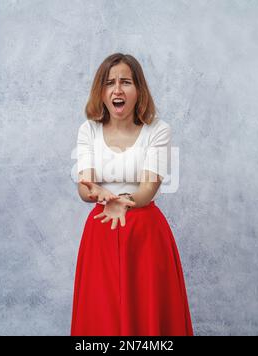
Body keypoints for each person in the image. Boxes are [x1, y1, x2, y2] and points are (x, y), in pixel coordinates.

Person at [70, 53, 193, 336]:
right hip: (100, 233)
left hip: (146, 236)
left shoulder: (158, 131)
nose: (117, 89)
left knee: (148, 319)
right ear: (100, 92)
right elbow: (83, 185)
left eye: (126, 82)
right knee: (102, 316)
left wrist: (121, 201)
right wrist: (99, 195)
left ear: (138, 90)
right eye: (109, 82)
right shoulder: (88, 130)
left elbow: (149, 188)